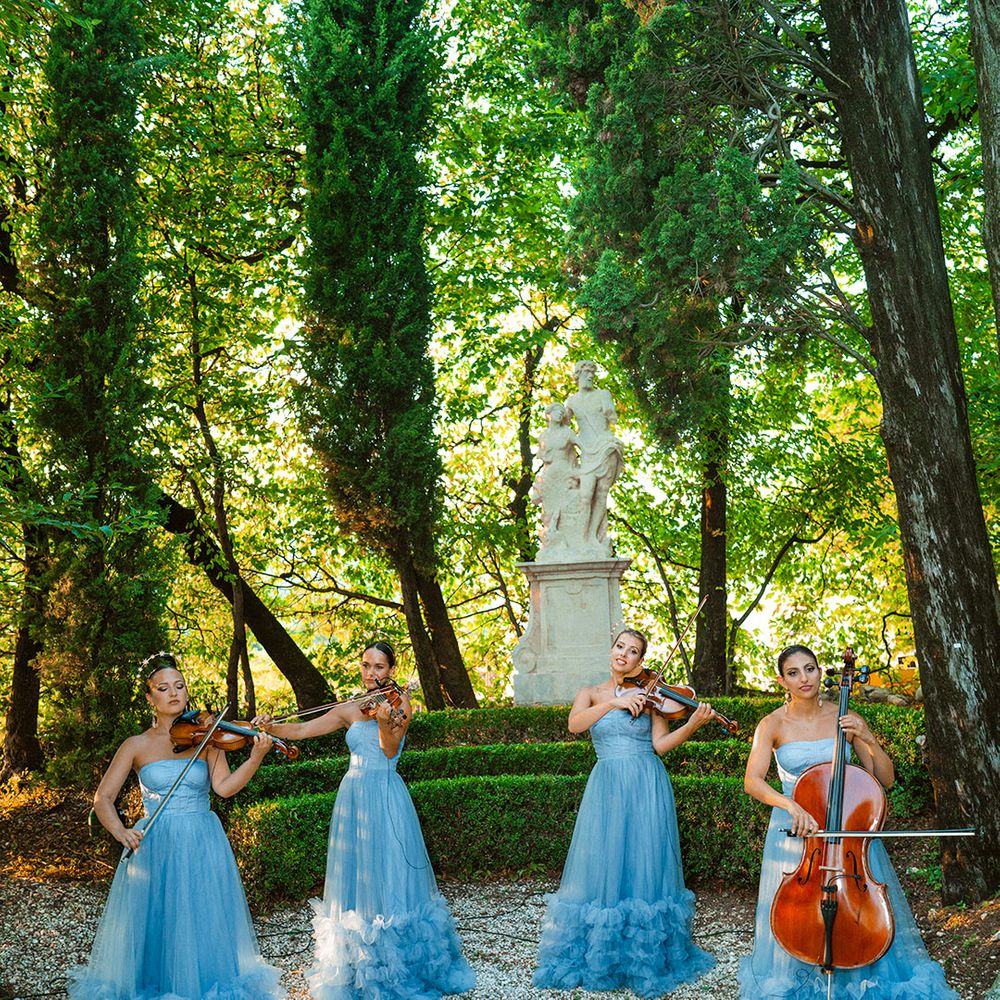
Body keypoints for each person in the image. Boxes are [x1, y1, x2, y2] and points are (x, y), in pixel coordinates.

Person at [253, 641, 475, 1000]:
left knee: (388, 872)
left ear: (391, 671)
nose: (371, 673)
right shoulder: (349, 708)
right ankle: (356, 967)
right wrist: (271, 726)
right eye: (366, 665)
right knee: (357, 875)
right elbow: (301, 731)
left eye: (379, 667)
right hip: (353, 796)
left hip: (385, 791)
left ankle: (396, 965)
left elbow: (389, 749)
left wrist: (387, 719)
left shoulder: (400, 704)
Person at [739, 643, 960, 999]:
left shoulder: (844, 716)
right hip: (797, 830)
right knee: (799, 909)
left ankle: (858, 970)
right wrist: (791, 805)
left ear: (820, 671)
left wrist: (868, 737)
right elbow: (753, 781)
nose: (804, 678)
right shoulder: (772, 724)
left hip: (847, 831)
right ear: (782, 681)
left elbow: (885, 780)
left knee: (855, 903)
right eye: (793, 673)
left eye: (809, 668)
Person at [67, 652, 284, 1000]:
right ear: (150, 698)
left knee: (202, 920)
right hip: (155, 842)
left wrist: (256, 756)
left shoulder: (207, 737)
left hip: (201, 839)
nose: (174, 693)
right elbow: (102, 798)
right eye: (163, 688)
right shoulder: (135, 745)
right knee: (157, 924)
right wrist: (121, 832)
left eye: (179, 686)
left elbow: (224, 788)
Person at [532, 628, 716, 996]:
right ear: (611, 650)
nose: (624, 655)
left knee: (644, 860)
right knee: (605, 861)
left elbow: (660, 745)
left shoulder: (651, 696)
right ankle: (604, 952)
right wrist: (615, 703)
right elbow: (574, 725)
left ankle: (644, 955)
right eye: (620, 646)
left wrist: (692, 725)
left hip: (646, 781)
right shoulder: (591, 693)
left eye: (633, 652)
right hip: (608, 784)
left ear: (640, 662)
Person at [564, 359, 624, 553]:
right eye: (586, 373)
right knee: (585, 494)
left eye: (592, 373)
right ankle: (579, 539)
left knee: (601, 493)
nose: (590, 376)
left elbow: (611, 415)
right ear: (577, 376)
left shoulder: (603, 394)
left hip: (606, 446)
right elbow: (562, 422)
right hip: (587, 451)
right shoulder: (572, 401)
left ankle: (592, 537)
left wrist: (610, 411)